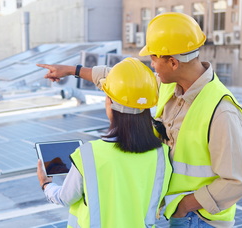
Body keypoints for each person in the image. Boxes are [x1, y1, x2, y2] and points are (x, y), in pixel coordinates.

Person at [37, 12, 242, 228]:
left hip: (197, 219)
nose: (152, 65)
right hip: (169, 213)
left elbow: (237, 181)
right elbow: (123, 82)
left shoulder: (222, 111)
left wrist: (184, 205)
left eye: (154, 58)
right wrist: (72, 71)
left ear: (173, 62)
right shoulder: (168, 84)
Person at [37, 57, 173, 227]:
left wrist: (46, 184)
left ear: (109, 103)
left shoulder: (88, 154)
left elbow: (65, 198)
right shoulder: (162, 154)